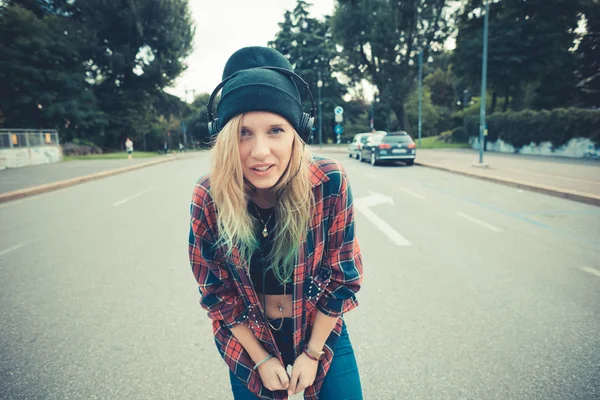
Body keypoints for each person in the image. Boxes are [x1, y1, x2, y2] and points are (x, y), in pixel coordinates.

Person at [188, 46, 364, 400]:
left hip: (319, 328)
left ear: (298, 133)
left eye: (275, 131)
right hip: (249, 337)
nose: (260, 151)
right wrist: (262, 357)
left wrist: (313, 352)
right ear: (224, 139)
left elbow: (343, 277)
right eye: (243, 133)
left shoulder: (328, 182)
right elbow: (216, 293)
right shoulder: (209, 196)